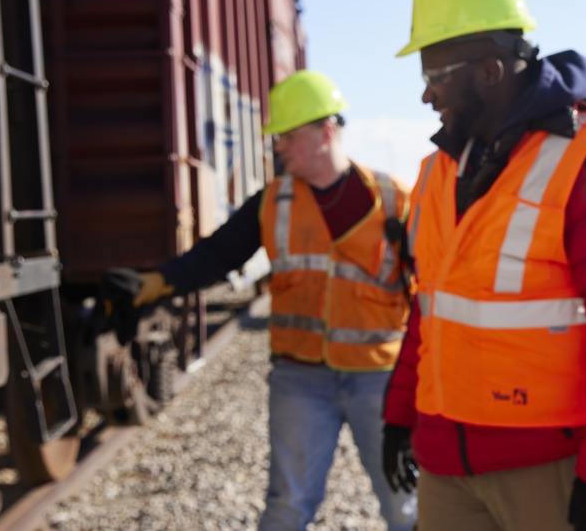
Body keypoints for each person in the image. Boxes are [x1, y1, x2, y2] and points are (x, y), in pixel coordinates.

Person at [381, 0, 586, 531]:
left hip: (548, 468)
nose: (425, 92)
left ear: (490, 71)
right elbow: (429, 308)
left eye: (435, 74)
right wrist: (399, 417)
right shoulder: (437, 171)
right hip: (446, 465)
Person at [101, 70, 417, 531]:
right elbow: (217, 255)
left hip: (378, 378)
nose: (279, 146)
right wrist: (157, 282)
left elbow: (428, 289)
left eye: (288, 136)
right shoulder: (274, 202)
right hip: (301, 377)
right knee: (287, 505)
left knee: (403, 502)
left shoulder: (395, 200)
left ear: (326, 132)